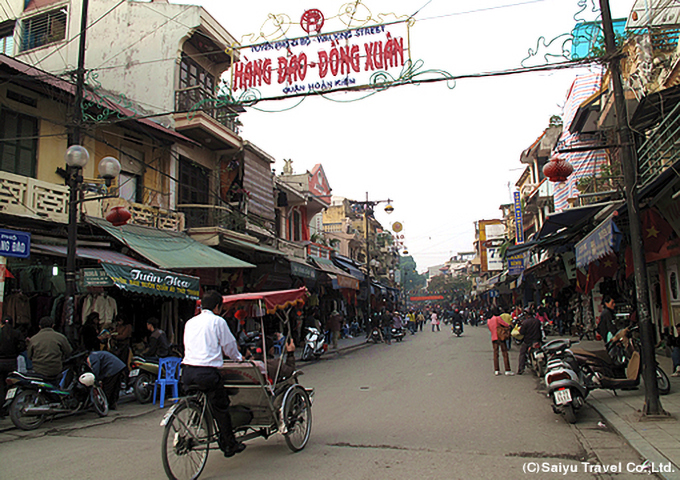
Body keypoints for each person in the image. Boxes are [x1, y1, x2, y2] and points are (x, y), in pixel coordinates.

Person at [181, 290, 246, 458]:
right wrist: (239, 358)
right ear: (217, 307)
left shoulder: (190, 322)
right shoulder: (218, 321)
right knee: (221, 407)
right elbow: (229, 345)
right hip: (207, 373)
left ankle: (198, 421)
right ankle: (230, 445)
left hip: (187, 371)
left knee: (201, 399)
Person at [28, 316, 73, 381]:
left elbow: (29, 356)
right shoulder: (60, 337)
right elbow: (69, 351)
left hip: (39, 370)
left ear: (39, 326)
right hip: (55, 370)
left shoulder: (33, 339)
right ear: (53, 325)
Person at [0, 315, 26, 416]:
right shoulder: (16, 333)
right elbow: (22, 347)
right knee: (11, 386)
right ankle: (9, 407)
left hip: (0, 362)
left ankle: (1, 410)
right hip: (11, 363)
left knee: (0, 386)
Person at [487, 308, 513, 376]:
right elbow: (505, 324)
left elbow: (490, 329)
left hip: (494, 338)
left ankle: (496, 370)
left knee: (495, 354)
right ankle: (507, 370)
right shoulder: (498, 318)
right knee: (504, 353)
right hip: (500, 337)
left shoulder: (489, 320)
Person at [517, 310, 542, 375]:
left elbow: (521, 332)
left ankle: (521, 369)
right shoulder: (537, 321)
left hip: (528, 341)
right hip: (537, 340)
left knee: (522, 353)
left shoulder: (525, 322)